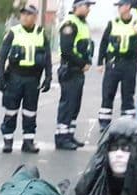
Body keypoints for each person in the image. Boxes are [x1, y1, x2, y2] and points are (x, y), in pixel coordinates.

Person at [0, 4, 52, 154]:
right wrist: (0, 77)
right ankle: (8, 141)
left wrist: (48, 77)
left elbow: (47, 58)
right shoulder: (13, 33)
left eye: (29, 14)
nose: (25, 17)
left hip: (33, 79)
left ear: (35, 17)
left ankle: (28, 142)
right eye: (23, 14)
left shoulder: (41, 33)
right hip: (15, 77)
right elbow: (2, 57)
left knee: (30, 112)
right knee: (11, 110)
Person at [97, 0, 137, 132]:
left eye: (121, 6)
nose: (119, 8)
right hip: (113, 63)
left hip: (129, 64)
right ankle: (104, 122)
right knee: (108, 93)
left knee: (128, 94)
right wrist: (100, 63)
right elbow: (103, 43)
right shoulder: (112, 23)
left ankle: (128, 123)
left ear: (128, 7)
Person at [54, 0, 95, 151]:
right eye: (87, 6)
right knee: (68, 104)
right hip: (70, 69)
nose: (89, 9)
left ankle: (69, 135)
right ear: (77, 7)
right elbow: (66, 50)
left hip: (77, 71)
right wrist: (81, 63)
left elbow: (87, 47)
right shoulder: (70, 24)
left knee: (75, 105)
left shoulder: (83, 23)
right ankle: (61, 138)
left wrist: (88, 61)